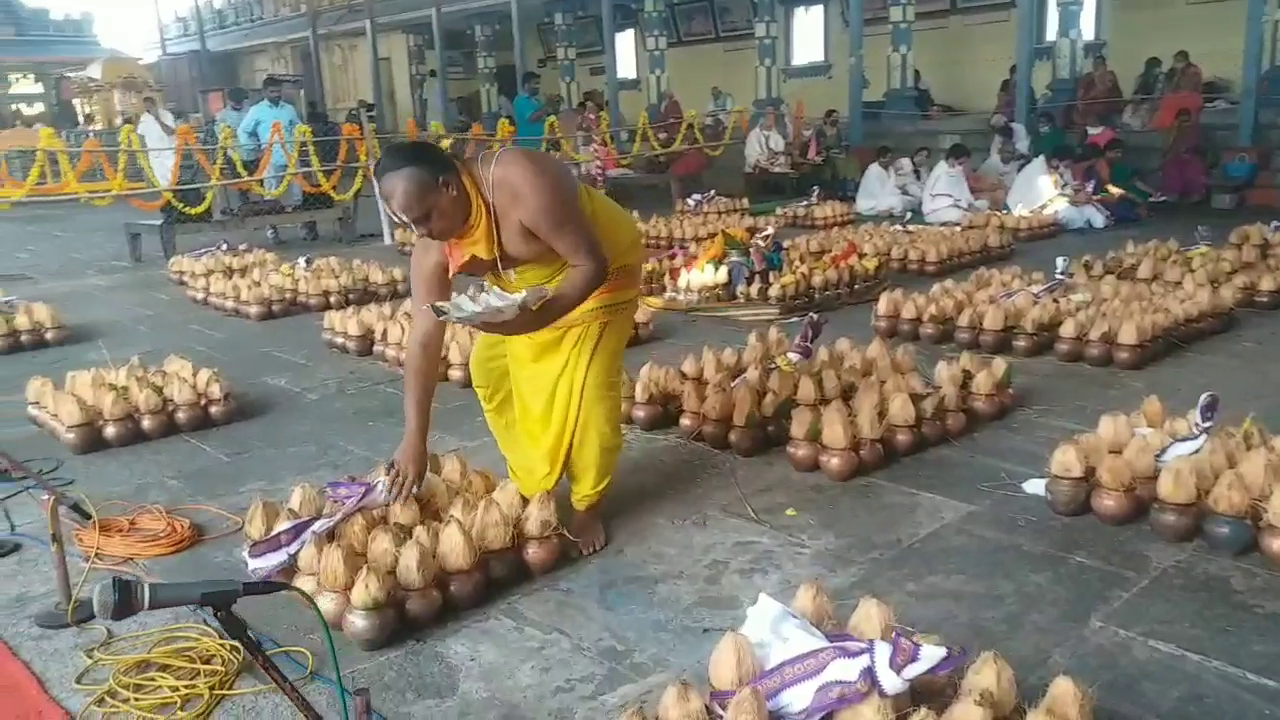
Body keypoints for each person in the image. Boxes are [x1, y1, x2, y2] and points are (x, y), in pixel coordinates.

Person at [377, 141, 644, 556]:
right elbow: (425, 337)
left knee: (589, 389)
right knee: (488, 367)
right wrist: (415, 437)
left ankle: (588, 503)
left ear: (448, 187)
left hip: (601, 271)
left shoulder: (521, 180)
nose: (423, 233)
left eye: (425, 217)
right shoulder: (433, 243)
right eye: (411, 224)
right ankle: (535, 480)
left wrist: (535, 321)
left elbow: (590, 263)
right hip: (530, 290)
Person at [238, 76, 317, 243]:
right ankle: (273, 235)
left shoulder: (289, 109)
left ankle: (304, 231)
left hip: (291, 156)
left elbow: (298, 126)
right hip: (270, 159)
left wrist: (302, 137)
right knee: (271, 196)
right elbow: (243, 131)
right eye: (273, 91)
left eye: (279, 91)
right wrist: (255, 148)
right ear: (264, 92)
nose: (276, 94)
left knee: (297, 195)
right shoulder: (256, 111)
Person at [1007, 144, 1108, 229]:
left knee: (1088, 209)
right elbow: (1046, 201)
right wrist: (1073, 198)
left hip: (1053, 204)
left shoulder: (1054, 167)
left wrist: (1075, 191)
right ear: (1055, 161)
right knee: (1070, 213)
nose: (1067, 169)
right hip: (1028, 210)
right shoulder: (1039, 172)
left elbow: (1065, 187)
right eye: (1066, 166)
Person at [921, 143, 988, 224]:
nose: (963, 166)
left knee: (984, 204)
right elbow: (949, 199)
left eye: (965, 163)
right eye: (961, 163)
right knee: (962, 216)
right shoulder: (942, 172)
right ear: (951, 160)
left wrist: (971, 205)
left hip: (955, 206)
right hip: (937, 211)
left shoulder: (956, 170)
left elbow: (964, 195)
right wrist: (970, 208)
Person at [1077, 143, 1142, 223]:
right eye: (1117, 152)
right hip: (1092, 199)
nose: (1119, 155)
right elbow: (1106, 189)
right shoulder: (1097, 167)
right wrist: (1127, 195)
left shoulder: (1084, 168)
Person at [1160, 108, 1207, 203]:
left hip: (1193, 156)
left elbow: (1201, 146)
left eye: (1186, 121)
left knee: (1193, 168)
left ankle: (1196, 194)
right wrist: (1173, 132)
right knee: (1170, 167)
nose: (1184, 124)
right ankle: (1173, 193)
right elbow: (1166, 148)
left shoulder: (1196, 130)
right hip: (1175, 157)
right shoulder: (1172, 131)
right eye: (1181, 121)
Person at [810, 110, 860, 198]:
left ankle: (849, 190)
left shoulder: (838, 131)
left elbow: (841, 143)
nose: (836, 120)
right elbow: (820, 146)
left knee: (853, 161)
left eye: (837, 118)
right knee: (839, 162)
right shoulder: (821, 131)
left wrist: (844, 147)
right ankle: (840, 190)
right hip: (826, 155)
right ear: (827, 119)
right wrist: (829, 150)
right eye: (833, 117)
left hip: (838, 153)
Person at [855, 145, 914, 216]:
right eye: (886, 158)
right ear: (879, 158)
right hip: (870, 202)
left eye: (890, 158)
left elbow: (893, 185)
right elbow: (878, 193)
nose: (888, 160)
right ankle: (886, 210)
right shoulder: (872, 170)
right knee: (895, 201)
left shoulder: (890, 169)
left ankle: (890, 210)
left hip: (886, 199)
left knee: (905, 200)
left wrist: (900, 190)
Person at [1152, 50, 1203, 130]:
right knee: (1166, 101)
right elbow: (1173, 87)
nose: (1175, 63)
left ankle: (1164, 126)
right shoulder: (1178, 71)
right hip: (1180, 96)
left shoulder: (1193, 70)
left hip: (1191, 97)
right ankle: (1162, 126)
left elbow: (1189, 87)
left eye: (1177, 61)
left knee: (1170, 102)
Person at [136, 96, 177, 189]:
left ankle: (175, 197)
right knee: (160, 180)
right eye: (146, 107)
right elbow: (140, 137)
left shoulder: (166, 115)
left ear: (154, 105)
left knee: (172, 178)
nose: (148, 109)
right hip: (154, 154)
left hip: (169, 151)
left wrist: (158, 119)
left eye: (150, 107)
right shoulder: (144, 118)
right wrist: (142, 156)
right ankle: (166, 199)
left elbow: (170, 132)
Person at [1073, 55, 1124, 127]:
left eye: (1100, 64)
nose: (1097, 66)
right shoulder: (1087, 78)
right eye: (1095, 64)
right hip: (1089, 107)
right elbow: (1081, 96)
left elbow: (1113, 93)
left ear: (1105, 65)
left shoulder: (1109, 76)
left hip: (1107, 106)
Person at [1121, 56, 1166, 130]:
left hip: (1153, 102)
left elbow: (1159, 94)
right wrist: (1136, 99)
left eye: (1159, 67)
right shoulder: (1140, 78)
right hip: (1139, 101)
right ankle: (1126, 126)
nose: (1159, 69)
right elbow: (1135, 93)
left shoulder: (1161, 77)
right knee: (1129, 109)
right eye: (1156, 67)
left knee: (1144, 110)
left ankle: (1138, 127)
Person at [743, 108, 791, 174]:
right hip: (756, 172)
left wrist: (777, 161)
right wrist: (761, 164)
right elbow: (751, 156)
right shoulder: (753, 135)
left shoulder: (778, 136)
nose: (770, 118)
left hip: (774, 170)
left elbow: (780, 155)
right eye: (768, 114)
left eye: (772, 115)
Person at [974, 142, 1018, 209]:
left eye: (1011, 153)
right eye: (1007, 152)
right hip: (986, 195)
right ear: (1000, 151)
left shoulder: (1014, 166)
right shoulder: (991, 164)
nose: (1009, 155)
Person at [513, 71, 550, 149]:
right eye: (535, 83)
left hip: (541, 142)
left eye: (538, 83)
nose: (538, 86)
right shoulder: (521, 100)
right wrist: (547, 106)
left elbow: (545, 116)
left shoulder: (536, 101)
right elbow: (532, 118)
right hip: (528, 144)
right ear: (526, 85)